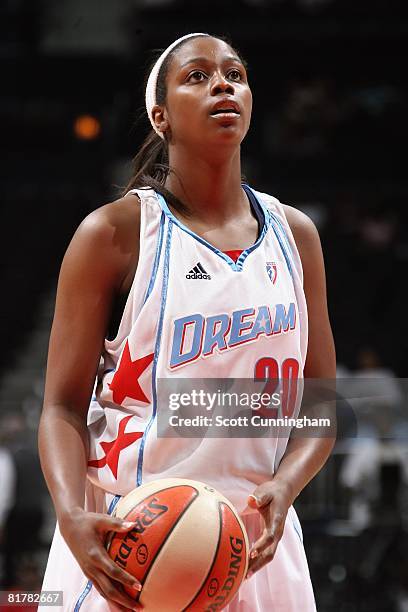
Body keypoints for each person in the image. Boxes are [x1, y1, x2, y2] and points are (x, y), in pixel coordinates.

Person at [38, 32, 336, 611]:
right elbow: (60, 407)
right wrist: (73, 516)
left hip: (252, 537)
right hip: (134, 537)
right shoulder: (114, 234)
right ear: (160, 114)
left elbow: (320, 404)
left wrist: (285, 484)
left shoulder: (294, 234)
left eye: (236, 74)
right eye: (197, 76)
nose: (223, 84)